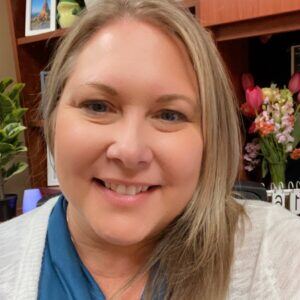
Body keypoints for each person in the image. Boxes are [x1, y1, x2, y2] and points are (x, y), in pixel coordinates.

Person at [1, 0, 300, 299]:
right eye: (97, 106)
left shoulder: (277, 253)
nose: (129, 151)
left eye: (169, 115)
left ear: (211, 136)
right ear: (51, 117)